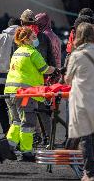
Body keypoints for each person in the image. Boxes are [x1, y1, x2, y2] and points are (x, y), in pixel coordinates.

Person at [65, 22, 94, 181]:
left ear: (79, 36)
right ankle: (93, 169)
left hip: (83, 101)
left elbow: (68, 79)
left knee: (86, 138)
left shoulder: (76, 55)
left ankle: (89, 173)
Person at [5, 26, 56, 160]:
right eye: (33, 37)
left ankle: (8, 147)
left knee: (16, 121)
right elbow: (45, 69)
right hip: (25, 93)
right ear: (26, 39)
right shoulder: (32, 53)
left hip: (10, 91)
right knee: (28, 123)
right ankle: (26, 152)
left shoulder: (17, 52)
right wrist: (56, 69)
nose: (36, 40)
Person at [20, 9, 56, 143]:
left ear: (21, 22)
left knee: (26, 111)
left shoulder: (19, 38)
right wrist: (52, 75)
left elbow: (14, 60)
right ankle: (47, 137)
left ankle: (31, 138)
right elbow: (51, 60)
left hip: (24, 86)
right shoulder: (44, 37)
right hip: (40, 83)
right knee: (42, 110)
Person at [0, 17, 21, 134]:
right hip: (20, 80)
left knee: (1, 107)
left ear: (8, 26)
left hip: (2, 80)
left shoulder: (0, 37)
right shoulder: (24, 37)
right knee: (18, 109)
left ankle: (7, 131)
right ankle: (18, 133)